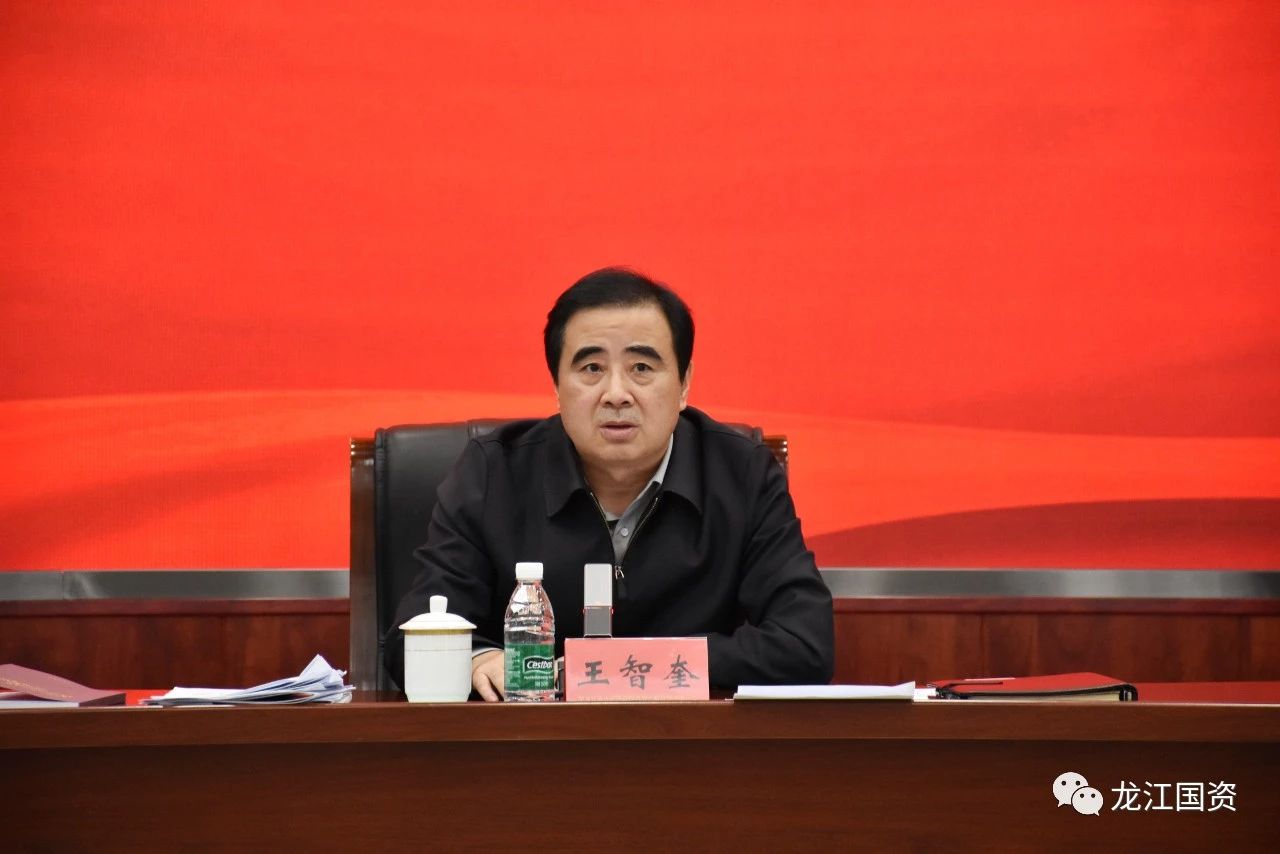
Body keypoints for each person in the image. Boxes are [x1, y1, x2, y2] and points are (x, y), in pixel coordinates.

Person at [388, 267, 834, 699]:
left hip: (691, 742)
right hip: (533, 742)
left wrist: (627, 668)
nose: (616, 394)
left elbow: (804, 644)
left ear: (684, 384)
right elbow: (413, 635)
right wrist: (476, 659)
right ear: (556, 386)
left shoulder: (742, 474)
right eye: (591, 368)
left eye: (641, 367)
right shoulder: (493, 473)